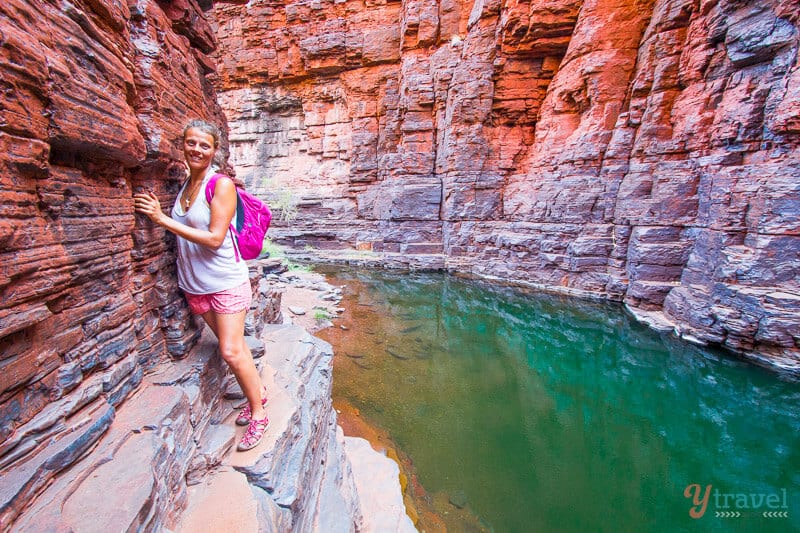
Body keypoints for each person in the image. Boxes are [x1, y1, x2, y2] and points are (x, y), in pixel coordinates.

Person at [134, 119, 269, 452]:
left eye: (204, 145)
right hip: (195, 286)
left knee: (230, 350)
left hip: (225, 282)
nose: (197, 149)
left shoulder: (219, 184)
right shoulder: (185, 187)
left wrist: (160, 219)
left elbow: (214, 238)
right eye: (191, 143)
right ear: (183, 145)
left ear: (214, 151)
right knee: (233, 347)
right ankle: (257, 392)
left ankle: (260, 413)